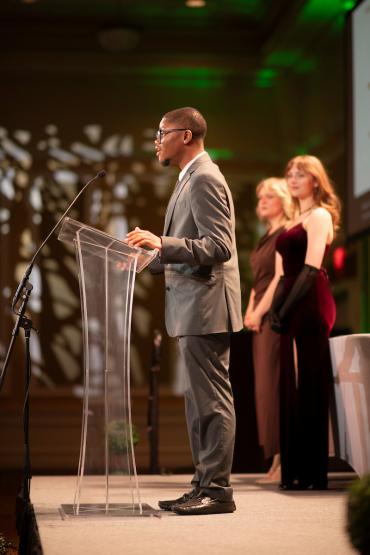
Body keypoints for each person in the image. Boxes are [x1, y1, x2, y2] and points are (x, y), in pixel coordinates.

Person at [126, 107, 243, 515]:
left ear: (187, 135)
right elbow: (188, 248)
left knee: (210, 400)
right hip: (192, 307)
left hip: (206, 307)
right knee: (198, 402)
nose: (156, 140)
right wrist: (144, 259)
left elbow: (218, 246)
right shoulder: (189, 179)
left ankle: (217, 490)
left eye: (162, 132)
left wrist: (161, 242)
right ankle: (202, 485)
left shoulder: (205, 178)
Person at [269, 155, 341, 490]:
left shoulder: (320, 215)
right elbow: (283, 274)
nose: (294, 179)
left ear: (316, 180)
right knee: (292, 385)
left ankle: (312, 472)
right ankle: (295, 470)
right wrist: (276, 308)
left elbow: (311, 269)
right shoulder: (291, 220)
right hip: (292, 300)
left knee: (309, 383)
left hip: (311, 301)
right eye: (290, 174)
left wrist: (284, 308)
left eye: (301, 174)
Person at [244, 177, 292, 482]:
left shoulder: (286, 234)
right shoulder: (266, 235)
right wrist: (249, 310)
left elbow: (279, 278)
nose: (262, 200)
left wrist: (260, 312)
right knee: (263, 390)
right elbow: (258, 281)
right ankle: (274, 460)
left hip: (273, 317)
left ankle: (283, 460)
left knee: (275, 388)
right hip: (259, 316)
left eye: (269, 196)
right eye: (260, 195)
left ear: (284, 200)